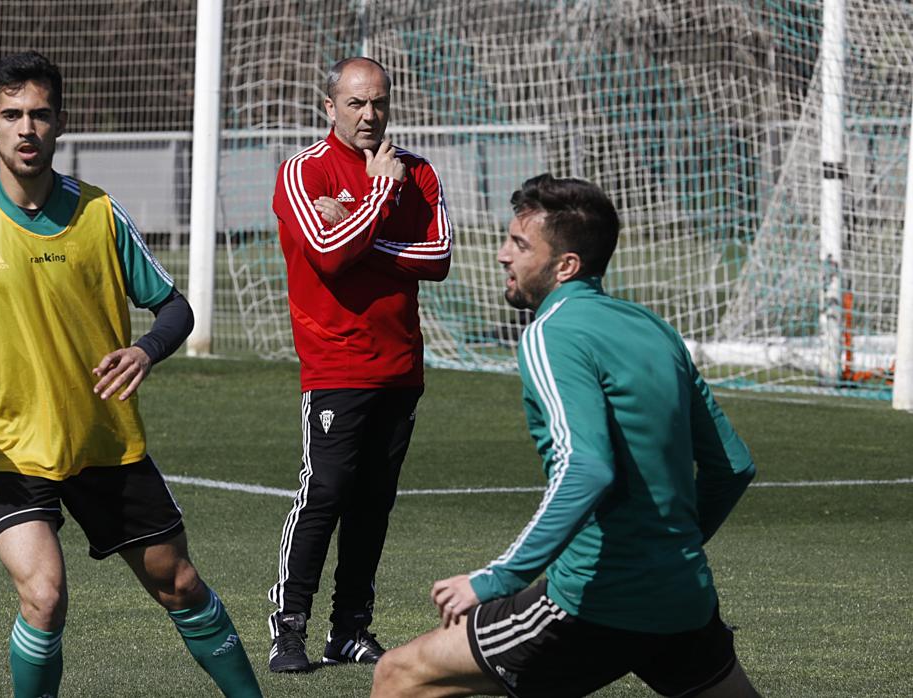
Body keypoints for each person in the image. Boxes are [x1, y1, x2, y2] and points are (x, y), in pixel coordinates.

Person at [0, 51, 261, 698]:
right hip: (5, 447)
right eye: (12, 115)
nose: (27, 128)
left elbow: (173, 307)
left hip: (102, 439)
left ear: (60, 124)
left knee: (179, 584)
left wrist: (146, 351)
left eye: (40, 115)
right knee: (44, 596)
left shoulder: (100, 214)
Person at [370, 174, 761, 698]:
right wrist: (670, 549)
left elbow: (586, 466)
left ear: (566, 266)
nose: (502, 254)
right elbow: (733, 467)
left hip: (593, 602)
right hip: (682, 597)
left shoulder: (550, 333)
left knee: (400, 674)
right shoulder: (654, 328)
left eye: (519, 243)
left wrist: (495, 580)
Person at [266, 56, 453, 673]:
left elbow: (440, 256)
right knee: (324, 494)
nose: (369, 114)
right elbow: (325, 254)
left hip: (401, 366)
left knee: (373, 503)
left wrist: (359, 228)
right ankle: (288, 629)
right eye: (355, 103)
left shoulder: (419, 171)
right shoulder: (303, 171)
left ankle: (349, 630)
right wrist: (379, 194)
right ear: (330, 107)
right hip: (336, 364)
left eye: (378, 102)